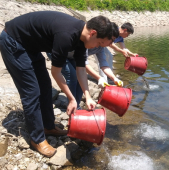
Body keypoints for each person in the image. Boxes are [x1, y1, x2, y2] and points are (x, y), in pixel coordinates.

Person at [0, 11, 114, 157]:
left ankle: (48, 127)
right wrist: (71, 98)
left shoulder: (82, 40)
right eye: (98, 43)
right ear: (93, 33)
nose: (96, 47)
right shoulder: (66, 35)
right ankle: (37, 138)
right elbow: (56, 72)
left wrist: (88, 96)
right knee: (32, 92)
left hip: (30, 46)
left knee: (45, 87)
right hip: (13, 42)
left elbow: (80, 71)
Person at [46, 22, 123, 109]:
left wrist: (114, 78)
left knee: (80, 79)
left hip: (73, 56)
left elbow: (104, 64)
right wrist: (99, 78)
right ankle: (71, 103)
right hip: (60, 52)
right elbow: (84, 65)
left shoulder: (100, 47)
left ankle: (76, 105)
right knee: (72, 76)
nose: (111, 43)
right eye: (111, 40)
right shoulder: (89, 41)